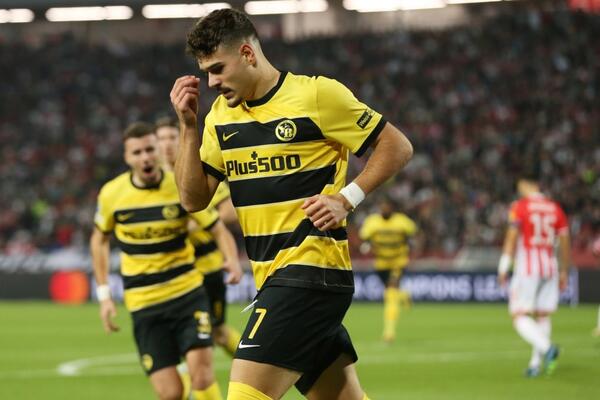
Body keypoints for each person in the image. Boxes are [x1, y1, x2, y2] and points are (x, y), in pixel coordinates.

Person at [170, 8, 413, 400]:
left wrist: (347, 198)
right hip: (272, 278)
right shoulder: (219, 117)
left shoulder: (316, 95)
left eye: (217, 69)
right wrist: (187, 127)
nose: (211, 82)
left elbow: (396, 145)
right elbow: (192, 199)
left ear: (247, 53)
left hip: (310, 272)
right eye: (206, 72)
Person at [90, 122, 241, 400]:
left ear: (158, 151)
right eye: (137, 152)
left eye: (150, 149)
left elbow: (217, 227)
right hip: (144, 304)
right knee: (171, 393)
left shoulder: (180, 186)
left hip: (187, 295)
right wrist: (104, 295)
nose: (145, 157)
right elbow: (99, 240)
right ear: (127, 157)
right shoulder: (112, 194)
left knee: (202, 375)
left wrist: (231, 259)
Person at [156, 115, 243, 357]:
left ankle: (258, 367)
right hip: (173, 270)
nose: (166, 144)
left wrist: (199, 221)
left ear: (180, 139)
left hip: (206, 268)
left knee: (218, 333)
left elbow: (230, 210)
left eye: (171, 137)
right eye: (161, 139)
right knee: (176, 334)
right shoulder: (153, 181)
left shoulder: (195, 175)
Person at [497, 171, 571, 378]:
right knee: (542, 315)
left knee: (519, 315)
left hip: (528, 267)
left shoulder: (520, 206)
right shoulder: (555, 208)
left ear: (525, 184)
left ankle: (548, 348)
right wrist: (564, 270)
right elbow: (565, 242)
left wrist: (503, 266)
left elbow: (512, 238)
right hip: (550, 266)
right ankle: (535, 365)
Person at [359, 196, 417, 343]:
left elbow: (413, 233)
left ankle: (389, 332)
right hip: (381, 264)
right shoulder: (372, 222)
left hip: (398, 262)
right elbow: (364, 239)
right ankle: (404, 296)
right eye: (382, 206)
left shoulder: (402, 221)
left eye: (387, 206)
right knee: (391, 292)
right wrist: (367, 245)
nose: (384, 209)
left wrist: (411, 247)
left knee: (390, 294)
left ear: (392, 208)